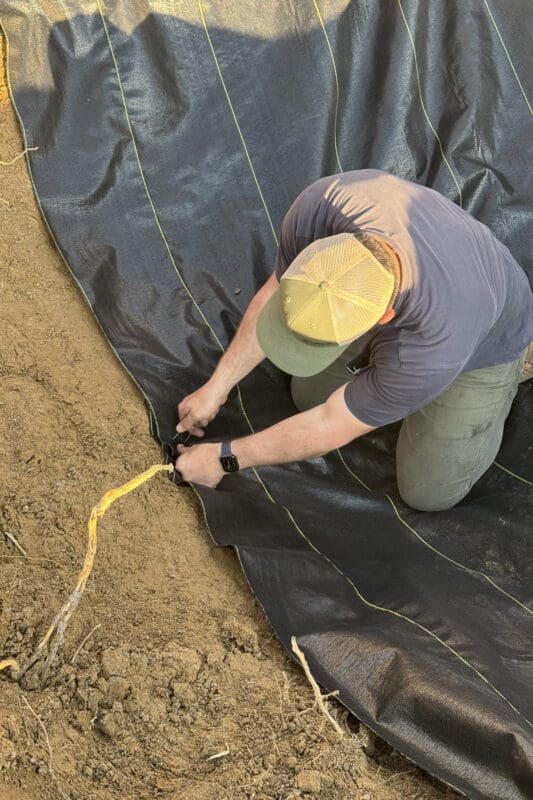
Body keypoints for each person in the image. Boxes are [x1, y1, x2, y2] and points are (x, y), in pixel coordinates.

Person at [174, 170, 533, 511]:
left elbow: (331, 423)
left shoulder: (431, 347)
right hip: (431, 292)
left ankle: (518, 366)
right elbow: (275, 291)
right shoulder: (325, 204)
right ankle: (395, 392)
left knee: (428, 492)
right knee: (306, 396)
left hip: (487, 343)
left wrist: (225, 458)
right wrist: (217, 386)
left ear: (382, 320)